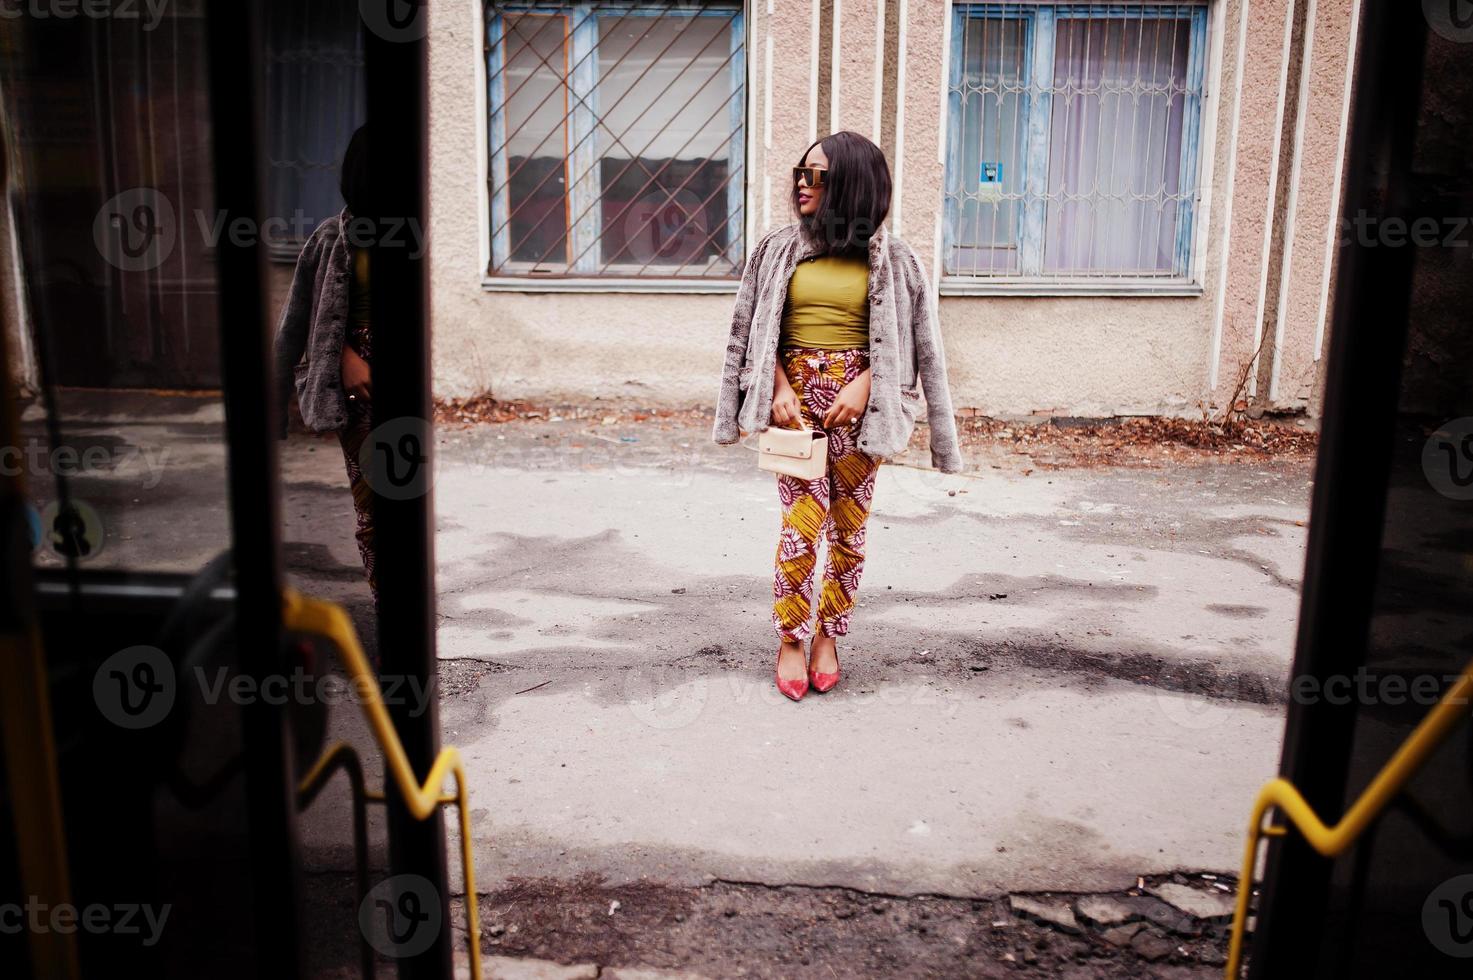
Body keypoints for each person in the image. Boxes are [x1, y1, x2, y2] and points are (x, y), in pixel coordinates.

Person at [713, 130, 965, 702]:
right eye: (801, 173)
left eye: (817, 175)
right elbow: (749, 328)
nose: (803, 183)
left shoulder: (896, 260)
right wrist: (775, 387)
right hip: (796, 407)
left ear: (851, 182)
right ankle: (790, 640)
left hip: (862, 411)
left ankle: (829, 635)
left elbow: (921, 344)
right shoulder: (776, 248)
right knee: (801, 529)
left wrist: (871, 383)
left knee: (849, 533)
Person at [273, 125, 377, 600]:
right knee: (374, 508)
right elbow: (296, 324)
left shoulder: (412, 234)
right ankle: (389, 614)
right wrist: (342, 359)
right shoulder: (332, 237)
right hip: (356, 387)